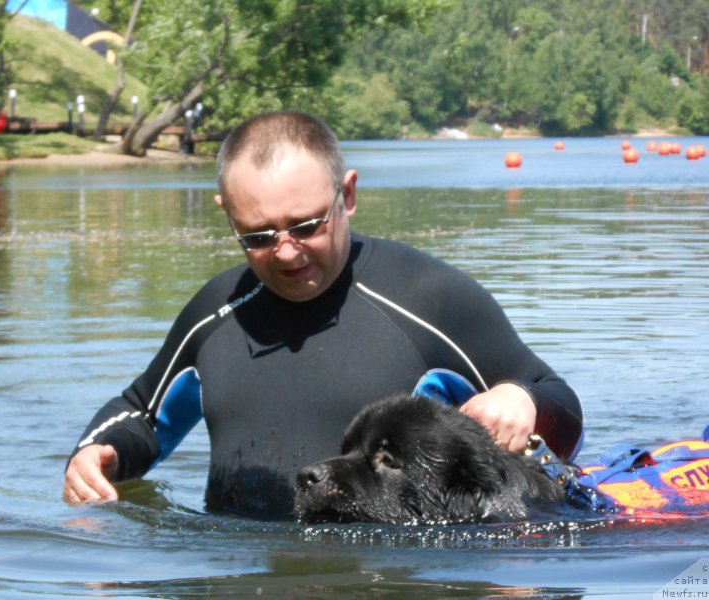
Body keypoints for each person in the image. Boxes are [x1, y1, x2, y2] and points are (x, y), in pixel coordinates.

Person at [63, 110, 583, 517]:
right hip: (242, 565)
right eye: (259, 236)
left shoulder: (429, 298)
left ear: (348, 194)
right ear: (227, 213)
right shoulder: (216, 312)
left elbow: (559, 404)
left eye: (307, 225)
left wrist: (525, 398)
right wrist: (97, 452)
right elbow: (142, 412)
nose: (287, 252)